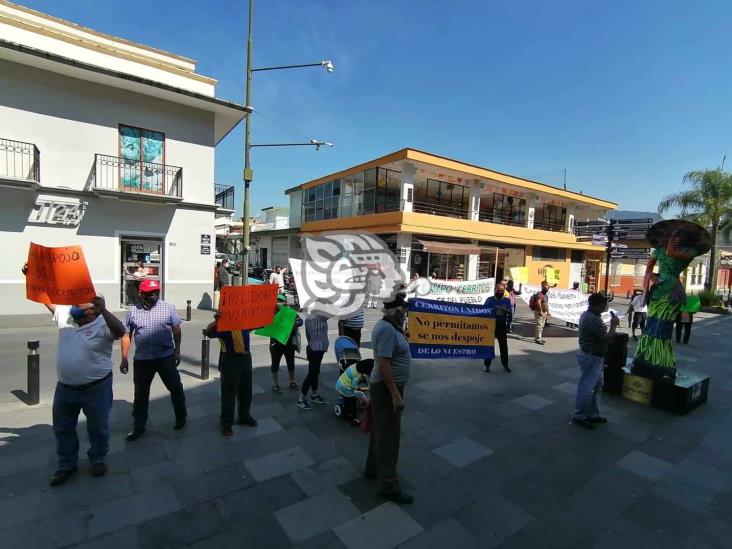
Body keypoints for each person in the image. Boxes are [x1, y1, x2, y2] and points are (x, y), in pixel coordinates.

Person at [23, 262, 126, 486]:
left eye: (79, 304)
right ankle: (66, 464)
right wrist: (32, 276)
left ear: (92, 308)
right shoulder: (66, 316)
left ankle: (97, 459)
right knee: (63, 429)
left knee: (98, 427)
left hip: (96, 388)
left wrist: (105, 310)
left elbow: (120, 331)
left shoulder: (102, 323)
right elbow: (45, 298)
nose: (73, 307)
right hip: (65, 389)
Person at [120, 279, 187, 441]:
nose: (154, 296)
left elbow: (176, 329)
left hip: (165, 357)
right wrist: (124, 358)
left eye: (157, 293)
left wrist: (177, 351)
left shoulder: (168, 307)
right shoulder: (132, 311)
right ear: (142, 295)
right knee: (141, 394)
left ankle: (181, 417)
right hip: (143, 361)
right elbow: (126, 335)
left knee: (176, 388)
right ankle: (139, 425)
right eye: (151, 294)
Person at [363, 292, 413, 505]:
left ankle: (372, 468)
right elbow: (384, 365)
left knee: (379, 431)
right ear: (396, 311)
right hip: (386, 389)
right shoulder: (386, 330)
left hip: (385, 388)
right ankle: (388, 485)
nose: (405, 313)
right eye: (403, 310)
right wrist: (395, 396)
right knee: (389, 437)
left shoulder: (392, 327)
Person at [205, 313, 258, 436]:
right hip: (229, 359)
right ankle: (226, 422)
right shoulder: (223, 323)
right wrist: (217, 321)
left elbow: (260, 321)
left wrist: (273, 308)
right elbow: (208, 332)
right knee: (229, 392)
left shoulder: (245, 321)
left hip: (245, 358)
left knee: (246, 390)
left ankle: (244, 415)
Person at [572, 293, 619, 429]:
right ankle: (579, 415)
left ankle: (593, 414)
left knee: (597, 386)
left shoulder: (592, 316)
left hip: (594, 356)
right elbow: (608, 338)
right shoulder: (592, 319)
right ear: (598, 305)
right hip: (591, 357)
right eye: (605, 304)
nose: (606, 306)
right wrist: (614, 325)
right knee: (587, 388)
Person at [270, 294, 303, 393]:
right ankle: (275, 384)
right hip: (276, 343)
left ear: (285, 302)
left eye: (281, 300)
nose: (279, 302)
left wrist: (295, 323)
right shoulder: (271, 313)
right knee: (275, 363)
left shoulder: (291, 312)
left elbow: (301, 321)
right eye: (278, 300)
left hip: (289, 343)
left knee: (291, 362)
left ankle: (292, 381)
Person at [298, 314, 329, 410]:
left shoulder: (310, 317)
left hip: (316, 347)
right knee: (312, 373)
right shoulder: (321, 315)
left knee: (315, 372)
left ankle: (314, 394)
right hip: (316, 348)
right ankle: (301, 399)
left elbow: (308, 334)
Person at [483, 281, 512, 373]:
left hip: (502, 324)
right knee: (489, 345)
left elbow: (510, 311)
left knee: (503, 346)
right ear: (495, 290)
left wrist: (500, 308)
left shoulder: (507, 300)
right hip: (491, 324)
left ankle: (505, 364)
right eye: (498, 290)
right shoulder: (489, 300)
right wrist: (495, 310)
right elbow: (484, 311)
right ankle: (487, 365)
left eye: (502, 291)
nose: (500, 292)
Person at [336, 359, 374, 425]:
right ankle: (352, 417)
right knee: (352, 401)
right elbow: (354, 387)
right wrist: (361, 389)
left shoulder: (355, 365)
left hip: (340, 382)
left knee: (350, 398)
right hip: (345, 387)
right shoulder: (358, 375)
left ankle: (347, 409)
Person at [530, 281, 550, 345]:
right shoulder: (539, 294)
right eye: (545, 288)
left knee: (542, 326)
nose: (546, 289)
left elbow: (546, 304)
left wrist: (548, 312)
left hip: (544, 312)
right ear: (542, 287)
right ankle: (538, 339)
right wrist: (541, 311)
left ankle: (539, 337)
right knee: (539, 325)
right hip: (539, 312)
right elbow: (539, 303)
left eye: (547, 288)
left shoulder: (546, 295)